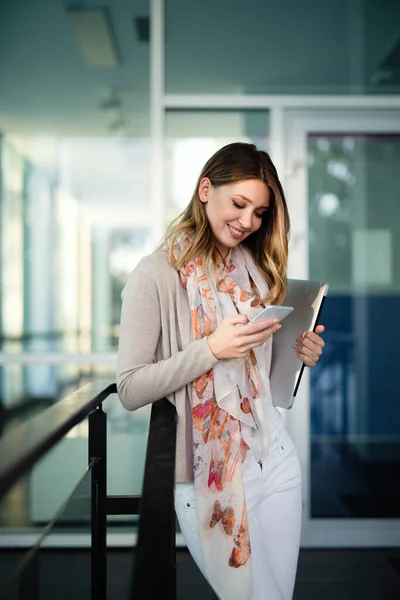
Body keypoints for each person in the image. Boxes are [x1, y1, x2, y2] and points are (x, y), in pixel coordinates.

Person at [117, 142, 325, 600]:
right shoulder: (153, 275)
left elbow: (263, 379)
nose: (248, 221)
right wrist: (210, 349)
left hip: (276, 454)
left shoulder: (253, 269)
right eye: (239, 203)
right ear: (206, 189)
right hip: (210, 475)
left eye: (260, 211)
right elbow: (129, 387)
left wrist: (298, 353)